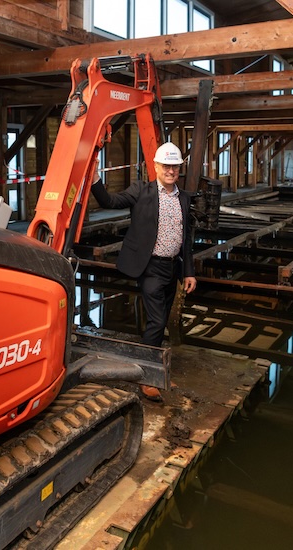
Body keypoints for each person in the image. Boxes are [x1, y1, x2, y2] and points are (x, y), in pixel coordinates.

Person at [91, 141, 197, 400]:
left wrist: (189, 272)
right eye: (166, 166)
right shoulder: (141, 190)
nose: (171, 171)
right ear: (156, 166)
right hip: (149, 266)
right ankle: (146, 378)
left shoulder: (184, 198)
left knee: (157, 324)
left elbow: (187, 239)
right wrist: (95, 178)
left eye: (175, 167)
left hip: (172, 268)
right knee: (158, 321)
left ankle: (153, 372)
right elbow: (110, 200)